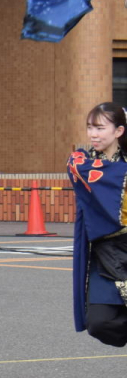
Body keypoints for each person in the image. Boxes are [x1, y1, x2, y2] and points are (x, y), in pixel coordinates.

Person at [68, 102, 127, 348]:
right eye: (90, 127)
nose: (93, 134)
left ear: (118, 131)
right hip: (103, 252)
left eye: (100, 128)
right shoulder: (81, 162)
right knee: (99, 323)